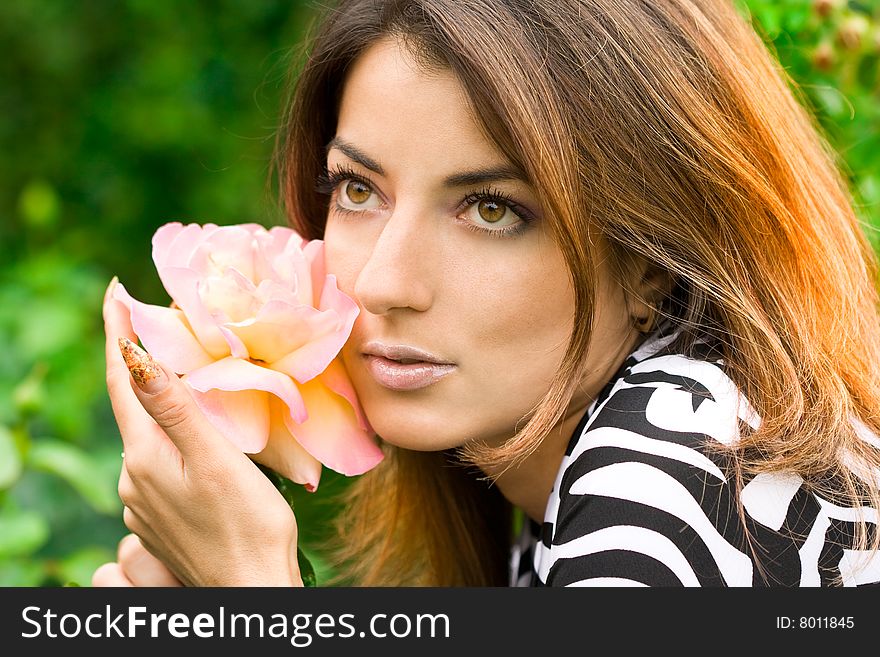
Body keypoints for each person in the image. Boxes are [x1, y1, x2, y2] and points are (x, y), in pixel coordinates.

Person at [93, 0, 880, 588]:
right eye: (359, 189)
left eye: (493, 209)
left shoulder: (679, 467)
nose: (384, 282)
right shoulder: (599, 479)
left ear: (650, 261)